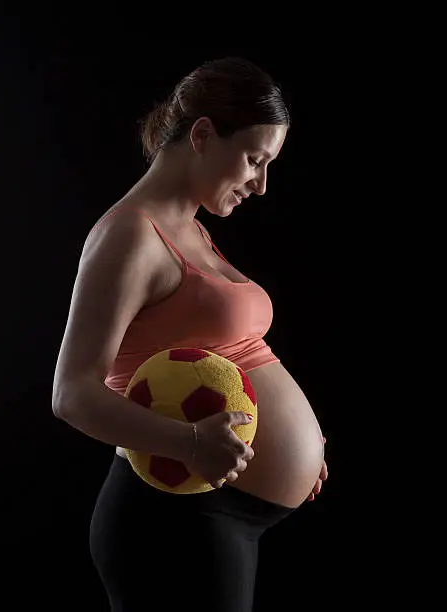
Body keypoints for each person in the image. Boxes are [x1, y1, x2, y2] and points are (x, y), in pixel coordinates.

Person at [52, 57, 328, 612]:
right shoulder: (130, 234)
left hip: (220, 516)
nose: (262, 185)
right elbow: (72, 393)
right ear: (202, 134)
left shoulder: (191, 227)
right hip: (173, 518)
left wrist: (300, 449)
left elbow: (231, 352)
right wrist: (192, 443)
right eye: (254, 160)